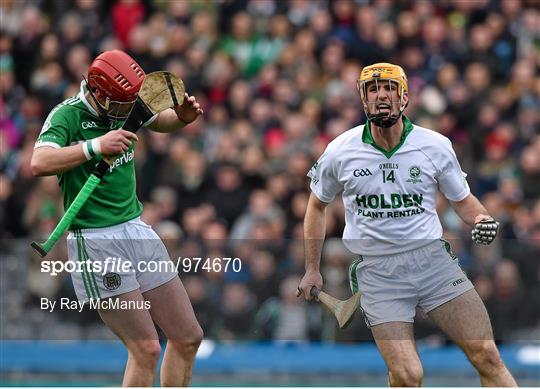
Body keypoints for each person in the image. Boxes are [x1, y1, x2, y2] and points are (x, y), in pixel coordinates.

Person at [297, 62, 517, 387]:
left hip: (433, 263)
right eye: (373, 90)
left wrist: (481, 217)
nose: (381, 95)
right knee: (407, 375)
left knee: (487, 355)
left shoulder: (436, 146)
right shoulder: (339, 152)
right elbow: (316, 206)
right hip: (379, 273)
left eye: (388, 88)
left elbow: (462, 199)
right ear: (363, 99)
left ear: (404, 97)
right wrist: (312, 268)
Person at [31, 50, 204, 387]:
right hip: (95, 241)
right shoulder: (67, 116)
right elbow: (39, 163)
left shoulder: (123, 98)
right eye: (122, 106)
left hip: (136, 229)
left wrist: (182, 117)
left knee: (188, 336)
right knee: (146, 349)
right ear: (98, 93)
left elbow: (159, 120)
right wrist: (94, 146)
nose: (129, 112)